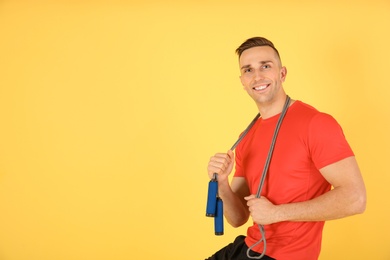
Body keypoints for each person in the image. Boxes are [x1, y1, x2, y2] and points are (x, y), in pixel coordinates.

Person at [206, 37, 366, 260]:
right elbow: (237, 218)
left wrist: (276, 213)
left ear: (282, 73)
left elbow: (355, 198)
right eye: (248, 70)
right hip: (248, 248)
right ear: (242, 81)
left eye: (265, 66)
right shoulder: (246, 136)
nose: (257, 76)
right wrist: (222, 183)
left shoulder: (316, 123)